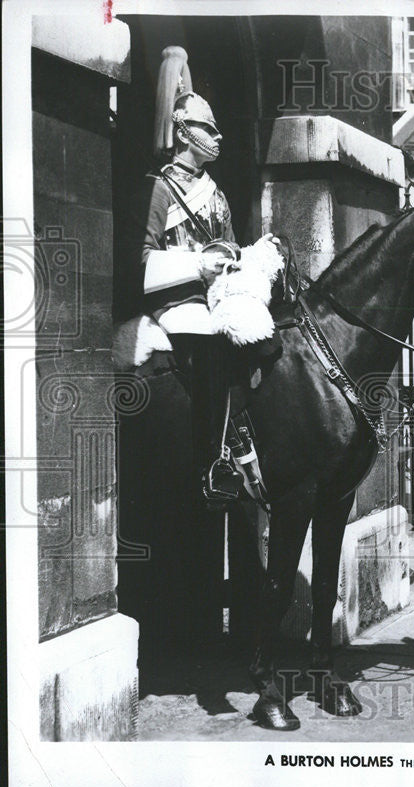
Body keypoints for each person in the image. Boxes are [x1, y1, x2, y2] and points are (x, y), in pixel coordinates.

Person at [117, 46, 279, 505]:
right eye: (208, 128)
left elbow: (227, 242)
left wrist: (246, 259)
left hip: (214, 294)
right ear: (184, 131)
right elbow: (137, 261)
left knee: (268, 338)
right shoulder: (156, 189)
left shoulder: (217, 193)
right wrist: (195, 264)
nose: (217, 136)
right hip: (175, 303)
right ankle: (212, 461)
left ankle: (249, 435)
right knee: (210, 340)